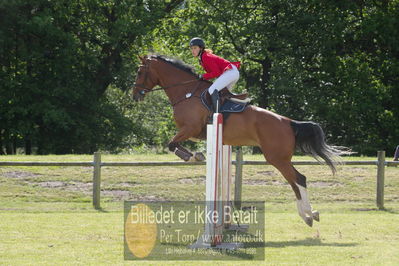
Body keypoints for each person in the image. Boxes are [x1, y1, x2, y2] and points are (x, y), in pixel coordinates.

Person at [189, 37, 241, 112]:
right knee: (223, 94)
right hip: (232, 72)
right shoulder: (203, 57)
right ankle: (228, 111)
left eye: (195, 48)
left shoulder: (206, 57)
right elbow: (213, 73)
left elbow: (216, 72)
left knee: (212, 90)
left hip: (230, 72)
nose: (192, 50)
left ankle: (217, 114)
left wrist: (203, 76)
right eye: (191, 48)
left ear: (200, 48)